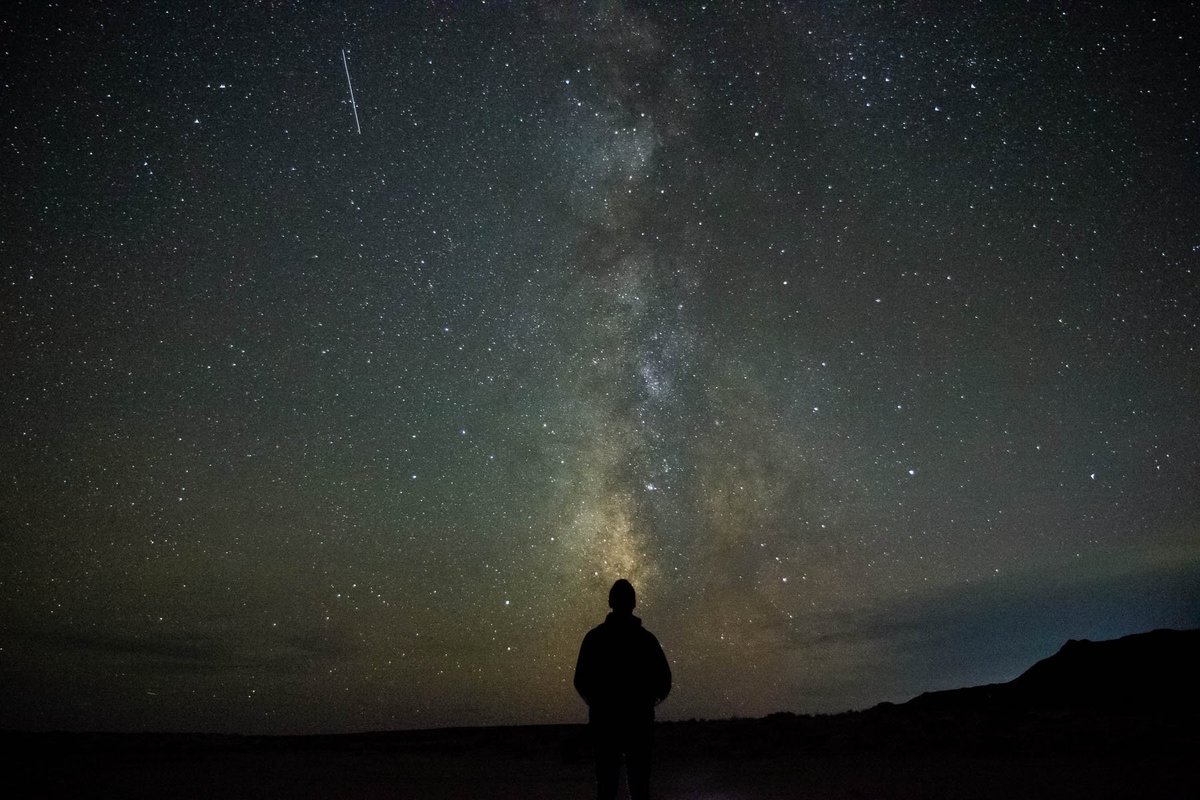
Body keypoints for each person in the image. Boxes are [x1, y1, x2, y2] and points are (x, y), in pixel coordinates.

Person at [574, 579, 671, 800]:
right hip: (638, 721)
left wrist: (598, 703)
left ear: (610, 602)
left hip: (605, 722)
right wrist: (647, 701)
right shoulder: (646, 640)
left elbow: (581, 679)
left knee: (607, 786)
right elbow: (664, 681)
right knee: (639, 786)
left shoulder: (595, 638)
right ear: (634, 603)